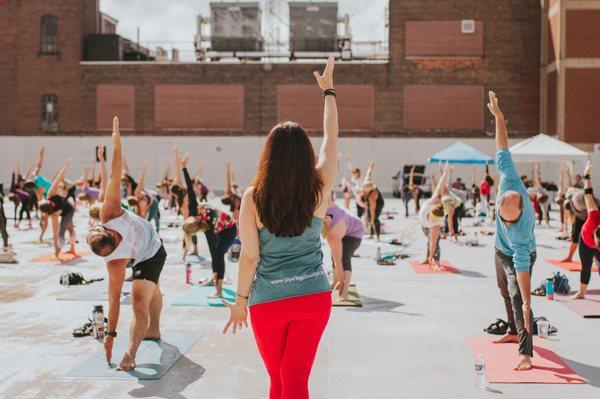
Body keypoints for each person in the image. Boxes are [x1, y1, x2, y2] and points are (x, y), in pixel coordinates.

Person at [222, 56, 337, 399]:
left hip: (268, 301)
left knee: (280, 379)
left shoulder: (253, 197)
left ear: (268, 156)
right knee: (294, 379)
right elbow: (331, 139)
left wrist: (240, 300)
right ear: (305, 155)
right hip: (313, 296)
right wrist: (329, 92)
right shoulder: (319, 187)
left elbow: (249, 258)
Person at [87, 117, 167, 371]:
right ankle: (152, 328)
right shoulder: (115, 256)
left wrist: (117, 144)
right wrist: (110, 335)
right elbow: (112, 302)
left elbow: (115, 173)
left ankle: (131, 354)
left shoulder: (109, 215)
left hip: (152, 250)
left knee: (138, 300)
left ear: (105, 229)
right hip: (138, 248)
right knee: (147, 290)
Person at [488, 91, 536, 371]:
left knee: (520, 299)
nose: (506, 223)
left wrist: (529, 301)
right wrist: (499, 116)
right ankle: (512, 328)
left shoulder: (520, 233)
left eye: (509, 221)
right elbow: (502, 146)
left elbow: (522, 271)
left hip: (519, 255)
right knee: (503, 290)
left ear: (519, 213)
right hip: (498, 248)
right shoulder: (509, 179)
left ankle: (526, 352)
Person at [181, 153, 237, 298]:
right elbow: (190, 189)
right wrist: (184, 168)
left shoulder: (209, 226)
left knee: (219, 255)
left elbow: (217, 257)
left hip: (229, 229)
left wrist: (184, 167)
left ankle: (219, 289)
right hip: (218, 227)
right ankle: (214, 281)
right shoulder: (198, 214)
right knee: (214, 255)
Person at [323, 194, 363, 300]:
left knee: (343, 258)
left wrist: (342, 283)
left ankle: (344, 289)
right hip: (342, 225)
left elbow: (338, 262)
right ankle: (335, 281)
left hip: (355, 232)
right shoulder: (325, 209)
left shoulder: (334, 231)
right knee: (334, 256)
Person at [38, 157, 78, 260]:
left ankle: (72, 248)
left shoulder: (51, 192)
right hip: (65, 210)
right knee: (65, 230)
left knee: (65, 229)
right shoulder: (53, 215)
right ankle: (70, 248)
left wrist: (66, 165)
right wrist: (57, 252)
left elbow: (58, 178)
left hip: (70, 209)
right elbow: (54, 234)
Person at [571, 161, 600, 299]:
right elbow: (588, 194)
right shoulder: (594, 215)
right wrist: (587, 175)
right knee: (586, 266)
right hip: (585, 241)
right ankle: (582, 292)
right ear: (595, 232)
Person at [419, 164, 450, 271]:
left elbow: (433, 241)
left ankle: (436, 261)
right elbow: (440, 184)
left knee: (435, 241)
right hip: (424, 224)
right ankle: (428, 258)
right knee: (429, 239)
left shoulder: (437, 223)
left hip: (432, 226)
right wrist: (444, 172)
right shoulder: (430, 203)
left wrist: (431, 255)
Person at [363, 173, 384, 242]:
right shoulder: (368, 186)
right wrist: (370, 168)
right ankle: (371, 234)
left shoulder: (372, 195)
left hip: (378, 205)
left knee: (374, 219)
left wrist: (372, 219)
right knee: (369, 218)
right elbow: (368, 175)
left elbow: (373, 209)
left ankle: (377, 237)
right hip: (372, 204)